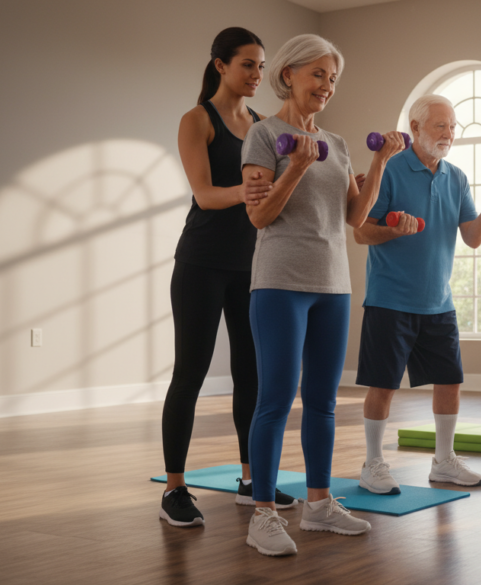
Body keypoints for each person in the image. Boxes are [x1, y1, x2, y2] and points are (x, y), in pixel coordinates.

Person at [240, 33, 404, 556]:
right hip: (279, 282)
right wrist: (296, 167)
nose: (327, 86)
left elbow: (355, 217)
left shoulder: (337, 143)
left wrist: (381, 163)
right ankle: (263, 514)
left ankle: (318, 504)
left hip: (333, 284)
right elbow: (260, 216)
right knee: (275, 398)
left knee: (323, 402)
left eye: (332, 78)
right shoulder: (264, 135)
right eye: (318, 74)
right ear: (288, 74)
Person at [161, 27, 297, 528]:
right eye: (247, 64)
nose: (257, 74)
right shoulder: (198, 120)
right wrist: (248, 190)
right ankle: (175, 488)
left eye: (261, 66)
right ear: (220, 65)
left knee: (251, 375)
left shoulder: (262, 125)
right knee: (190, 374)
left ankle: (250, 480)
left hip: (253, 264)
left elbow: (280, 193)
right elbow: (204, 194)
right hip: (200, 263)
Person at [352, 95, 481, 496]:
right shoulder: (389, 169)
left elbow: (473, 237)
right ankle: (372, 464)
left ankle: (444, 461)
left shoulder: (456, 177)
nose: (449, 134)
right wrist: (393, 230)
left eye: (453, 127)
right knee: (383, 385)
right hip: (390, 299)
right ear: (415, 128)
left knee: (449, 382)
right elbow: (361, 232)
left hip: (438, 302)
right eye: (440, 126)